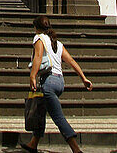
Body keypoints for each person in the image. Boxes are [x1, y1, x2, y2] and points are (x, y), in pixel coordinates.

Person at [20, 14, 93, 153]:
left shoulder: (39, 38)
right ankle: (33, 144)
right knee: (41, 110)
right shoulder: (57, 43)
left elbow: (38, 57)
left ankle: (76, 149)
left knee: (58, 117)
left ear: (36, 28)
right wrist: (83, 78)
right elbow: (70, 61)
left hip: (48, 82)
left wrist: (32, 76)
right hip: (60, 82)